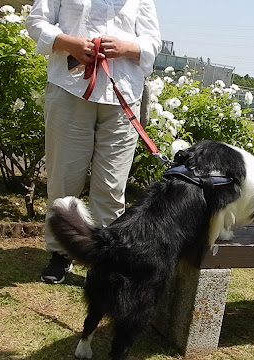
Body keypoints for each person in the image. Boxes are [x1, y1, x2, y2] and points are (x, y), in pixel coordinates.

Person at [26, 0, 161, 284]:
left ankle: (103, 262)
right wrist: (68, 42)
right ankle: (61, 253)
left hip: (123, 94)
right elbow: (36, 23)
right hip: (70, 88)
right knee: (64, 179)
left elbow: (152, 41)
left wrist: (127, 47)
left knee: (111, 186)